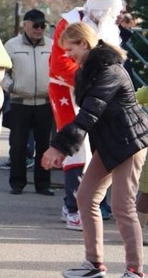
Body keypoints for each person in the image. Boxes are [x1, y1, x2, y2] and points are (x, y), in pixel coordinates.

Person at [42, 22, 148, 278]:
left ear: (84, 43)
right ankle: (94, 264)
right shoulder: (88, 71)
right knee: (86, 197)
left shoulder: (111, 71)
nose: (68, 55)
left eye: (70, 49)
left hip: (129, 143)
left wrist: (59, 148)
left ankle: (135, 270)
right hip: (109, 143)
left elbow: (89, 113)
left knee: (122, 207)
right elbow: (88, 115)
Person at [49, 0, 122, 231]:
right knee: (75, 145)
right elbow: (59, 64)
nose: (111, 15)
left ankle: (93, 203)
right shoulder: (70, 22)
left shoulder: (108, 26)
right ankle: (72, 207)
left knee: (99, 145)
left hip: (96, 92)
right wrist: (92, 83)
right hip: (66, 90)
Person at [1, 9, 54, 195]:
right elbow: (2, 71)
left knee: (44, 146)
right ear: (26, 25)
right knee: (18, 145)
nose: (39, 29)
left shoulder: (52, 46)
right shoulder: (11, 45)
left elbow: (58, 70)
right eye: (35, 25)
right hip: (19, 102)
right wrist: (11, 86)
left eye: (42, 25)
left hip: (45, 102)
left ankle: (43, 184)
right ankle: (17, 183)